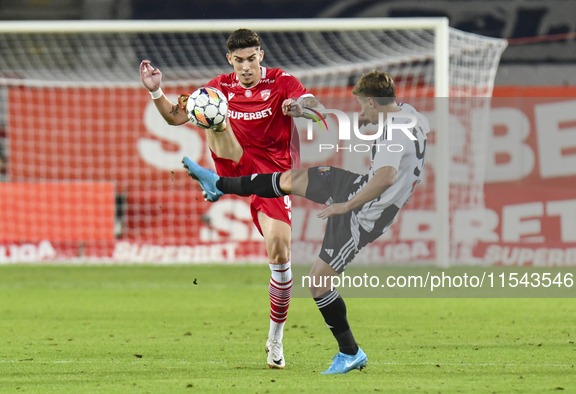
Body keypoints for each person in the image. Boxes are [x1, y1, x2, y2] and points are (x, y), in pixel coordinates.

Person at [181, 71, 429, 374]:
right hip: (356, 186)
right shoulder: (409, 115)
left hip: (365, 212)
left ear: (373, 102)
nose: (362, 112)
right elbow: (392, 138)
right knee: (289, 178)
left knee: (318, 282)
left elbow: (387, 176)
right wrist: (364, 119)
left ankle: (350, 352)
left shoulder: (393, 134)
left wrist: (346, 206)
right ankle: (219, 184)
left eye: (364, 106)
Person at [139, 28, 324, 369]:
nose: (246, 67)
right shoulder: (220, 87)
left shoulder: (282, 82)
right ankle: (217, 181)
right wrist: (157, 92)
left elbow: (313, 104)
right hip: (234, 160)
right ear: (230, 60)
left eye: (251, 59)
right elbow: (175, 116)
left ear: (261, 56)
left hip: (272, 179)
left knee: (280, 251)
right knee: (211, 110)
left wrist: (298, 107)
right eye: (239, 61)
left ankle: (275, 339)